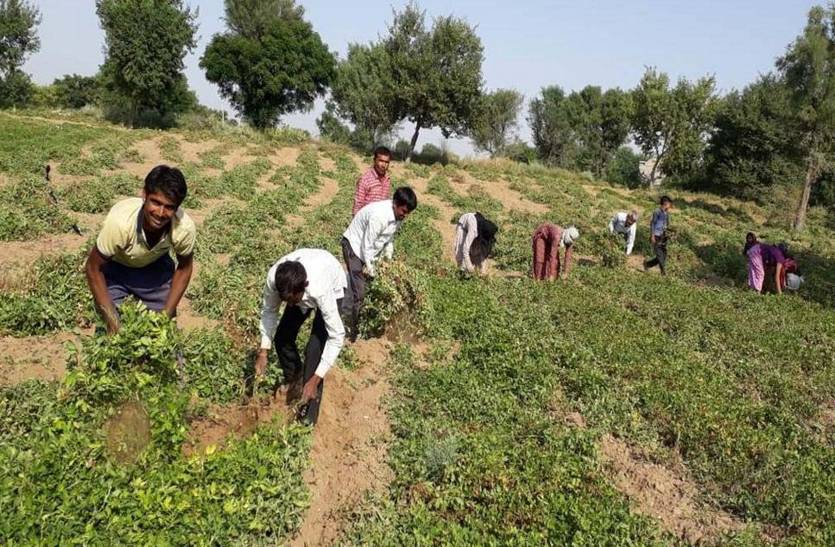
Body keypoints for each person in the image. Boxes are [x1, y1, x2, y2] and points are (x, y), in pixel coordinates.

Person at [85, 165, 195, 333]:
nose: (160, 213)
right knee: (111, 331)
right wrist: (112, 321)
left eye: (169, 207)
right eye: (155, 202)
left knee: (162, 334)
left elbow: (185, 268)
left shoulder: (183, 228)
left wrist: (166, 315)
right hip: (115, 268)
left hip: (155, 267)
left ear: (177, 207)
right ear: (144, 195)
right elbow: (93, 267)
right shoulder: (121, 223)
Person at [255, 249, 346, 426]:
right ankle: (295, 379)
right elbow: (269, 311)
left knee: (314, 350)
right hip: (303, 280)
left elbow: (336, 337)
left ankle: (308, 416)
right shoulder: (275, 280)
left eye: (293, 300)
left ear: (304, 286)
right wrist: (263, 351)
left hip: (333, 283)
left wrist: (315, 379)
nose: (289, 304)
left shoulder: (320, 289)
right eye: (285, 300)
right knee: (282, 337)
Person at [341, 187, 418, 341]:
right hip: (354, 247)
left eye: (408, 212)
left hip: (368, 250)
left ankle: (351, 311)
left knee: (361, 285)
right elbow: (367, 245)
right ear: (395, 203)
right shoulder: (380, 216)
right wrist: (371, 269)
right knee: (359, 292)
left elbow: (388, 240)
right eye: (403, 211)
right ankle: (349, 327)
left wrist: (387, 261)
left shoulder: (398, 217)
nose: (405, 215)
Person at [352, 145, 392, 216]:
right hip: (366, 219)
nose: (383, 165)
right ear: (374, 160)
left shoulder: (387, 179)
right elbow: (357, 206)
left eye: (386, 162)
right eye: (381, 161)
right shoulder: (365, 180)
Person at [644, 196, 673, 275]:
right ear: (665, 203)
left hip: (663, 236)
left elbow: (667, 226)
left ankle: (647, 264)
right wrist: (652, 236)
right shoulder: (657, 212)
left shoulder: (666, 214)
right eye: (669, 204)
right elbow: (652, 224)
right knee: (660, 255)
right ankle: (663, 273)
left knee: (664, 255)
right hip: (656, 236)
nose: (670, 206)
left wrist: (671, 233)